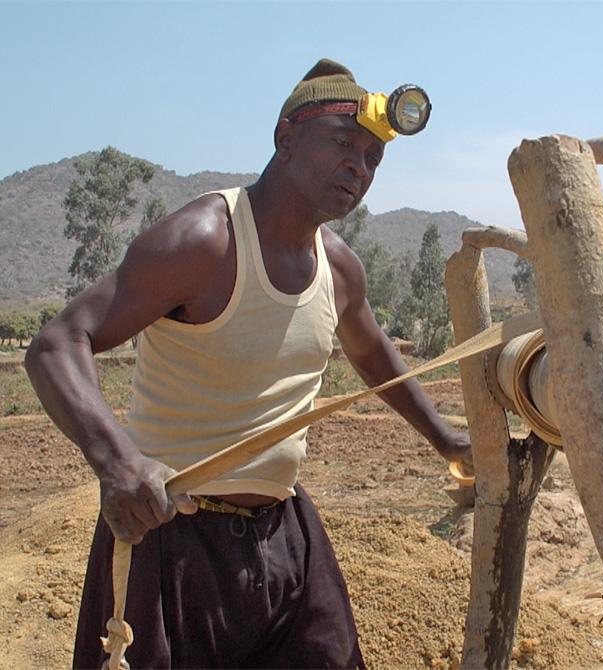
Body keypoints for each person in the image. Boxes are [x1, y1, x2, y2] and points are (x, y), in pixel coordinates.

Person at [26, 58, 470, 669]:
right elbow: (57, 342)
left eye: (373, 158)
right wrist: (116, 462)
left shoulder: (339, 268)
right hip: (169, 542)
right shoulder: (203, 242)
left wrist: (447, 439)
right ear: (286, 139)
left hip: (284, 537)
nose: (359, 169)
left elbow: (372, 355)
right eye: (344, 144)